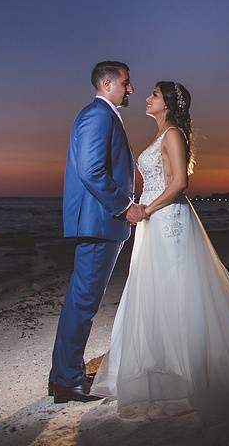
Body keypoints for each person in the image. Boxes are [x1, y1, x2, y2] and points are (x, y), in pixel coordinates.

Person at [91, 80, 229, 424]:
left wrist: (146, 210)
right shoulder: (161, 135)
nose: (147, 97)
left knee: (177, 290)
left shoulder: (172, 135)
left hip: (167, 220)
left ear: (168, 103)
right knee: (155, 290)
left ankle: (189, 370)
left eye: (154, 94)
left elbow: (180, 183)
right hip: (153, 223)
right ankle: (164, 364)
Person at [49, 61, 148, 403]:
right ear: (108, 83)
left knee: (82, 300)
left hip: (101, 223)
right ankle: (66, 381)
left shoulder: (103, 115)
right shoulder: (98, 115)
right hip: (100, 222)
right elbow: (91, 171)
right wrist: (125, 206)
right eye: (126, 82)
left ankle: (63, 376)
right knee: (84, 302)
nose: (131, 89)